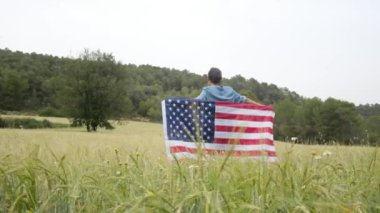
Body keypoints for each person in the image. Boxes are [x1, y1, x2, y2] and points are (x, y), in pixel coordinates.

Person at [195, 67, 263, 105]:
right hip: (228, 129)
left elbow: (194, 102)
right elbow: (245, 99)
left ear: (209, 80)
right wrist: (262, 107)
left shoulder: (207, 91)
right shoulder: (230, 91)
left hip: (212, 128)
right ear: (220, 80)